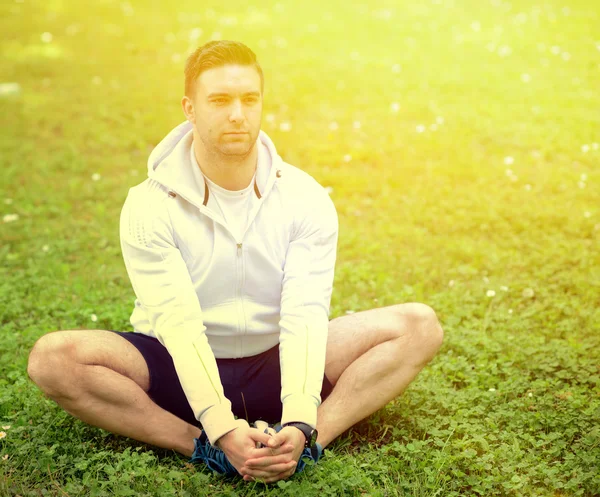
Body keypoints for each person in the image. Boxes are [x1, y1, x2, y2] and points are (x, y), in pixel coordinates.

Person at [26, 40, 444, 484]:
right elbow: (179, 325)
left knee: (419, 325)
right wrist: (220, 428)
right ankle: (201, 446)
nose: (237, 114)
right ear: (189, 108)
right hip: (175, 365)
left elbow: (304, 314)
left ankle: (305, 445)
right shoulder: (148, 205)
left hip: (274, 356)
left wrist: (303, 420)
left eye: (249, 99)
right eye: (220, 100)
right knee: (53, 359)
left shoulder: (304, 196)